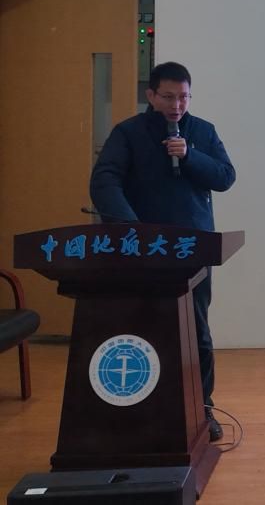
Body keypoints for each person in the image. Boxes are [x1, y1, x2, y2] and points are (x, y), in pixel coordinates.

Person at [89, 61, 236, 442]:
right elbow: (104, 181)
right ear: (151, 95)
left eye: (184, 97)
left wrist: (189, 156)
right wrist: (131, 228)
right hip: (143, 247)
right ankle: (142, 409)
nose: (177, 105)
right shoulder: (128, 133)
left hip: (193, 247)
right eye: (168, 97)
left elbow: (225, 177)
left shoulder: (202, 131)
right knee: (143, 327)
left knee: (197, 332)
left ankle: (202, 408)